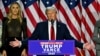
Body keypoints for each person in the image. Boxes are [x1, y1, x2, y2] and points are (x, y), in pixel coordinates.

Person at [10, 7, 93, 56]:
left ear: (56, 14)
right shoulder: (40, 25)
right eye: (48, 13)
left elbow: (69, 38)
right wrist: (21, 43)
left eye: (52, 13)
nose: (50, 15)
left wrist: (82, 45)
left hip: (58, 53)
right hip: (43, 53)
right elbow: (32, 38)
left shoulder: (62, 26)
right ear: (46, 15)